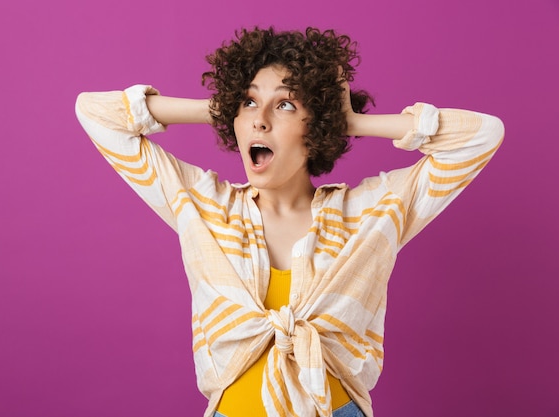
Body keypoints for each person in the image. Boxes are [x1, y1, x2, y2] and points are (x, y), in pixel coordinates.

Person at [75, 27, 504, 417]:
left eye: (284, 104)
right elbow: (95, 113)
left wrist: (352, 121)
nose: (260, 118)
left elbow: (482, 136)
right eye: (248, 101)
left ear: (316, 124)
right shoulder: (203, 206)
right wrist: (222, 107)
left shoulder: (370, 215)